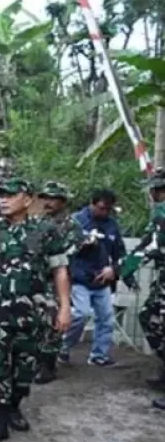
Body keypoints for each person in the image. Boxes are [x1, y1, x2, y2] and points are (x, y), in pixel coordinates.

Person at [0, 178, 71, 442]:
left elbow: (59, 270)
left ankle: (14, 406)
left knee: (25, 367)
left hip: (32, 313)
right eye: (1, 195)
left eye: (11, 195)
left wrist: (65, 307)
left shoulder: (45, 231)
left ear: (27, 199)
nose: (3, 199)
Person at [59, 189, 125, 367]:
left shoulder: (112, 225)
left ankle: (99, 355)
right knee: (80, 314)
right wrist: (82, 243)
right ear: (92, 204)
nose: (104, 213)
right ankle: (61, 346)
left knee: (106, 318)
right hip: (80, 278)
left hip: (102, 279)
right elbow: (63, 250)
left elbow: (120, 252)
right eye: (101, 208)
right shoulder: (76, 222)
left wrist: (113, 269)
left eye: (108, 209)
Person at [35, 182, 84, 384]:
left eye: (52, 198)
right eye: (45, 198)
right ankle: (36, 360)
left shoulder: (72, 225)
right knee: (35, 321)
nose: (48, 202)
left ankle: (48, 364)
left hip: (56, 279)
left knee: (53, 321)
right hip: (36, 279)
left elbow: (71, 251)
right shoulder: (37, 222)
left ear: (62, 201)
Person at [123, 170, 165, 405]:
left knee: (152, 319)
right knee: (151, 316)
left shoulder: (162, 213)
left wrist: (126, 270)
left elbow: (147, 246)